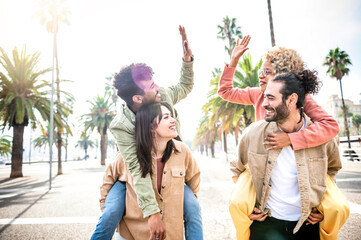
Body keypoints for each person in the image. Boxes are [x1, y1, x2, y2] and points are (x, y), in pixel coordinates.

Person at [219, 36, 349, 240]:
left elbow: (330, 127)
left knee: (336, 206)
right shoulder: (258, 95)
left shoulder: (300, 99)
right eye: (262, 71)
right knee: (238, 202)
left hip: (297, 162)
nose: (261, 76)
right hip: (262, 162)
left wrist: (291, 140)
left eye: (267, 72)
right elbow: (226, 91)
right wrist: (233, 62)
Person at [91, 26, 203, 240]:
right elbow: (137, 168)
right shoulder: (122, 125)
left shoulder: (163, 95)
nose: (158, 87)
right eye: (151, 85)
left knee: (193, 209)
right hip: (132, 176)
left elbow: (184, 86)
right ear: (138, 98)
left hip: (170, 165)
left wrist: (187, 60)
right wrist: (152, 213)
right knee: (110, 214)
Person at [100, 102, 200, 240]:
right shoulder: (128, 156)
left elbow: (193, 183)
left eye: (171, 116)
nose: (173, 120)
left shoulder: (183, 151)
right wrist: (113, 218)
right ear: (151, 127)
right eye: (166, 117)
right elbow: (107, 183)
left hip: (171, 234)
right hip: (133, 235)